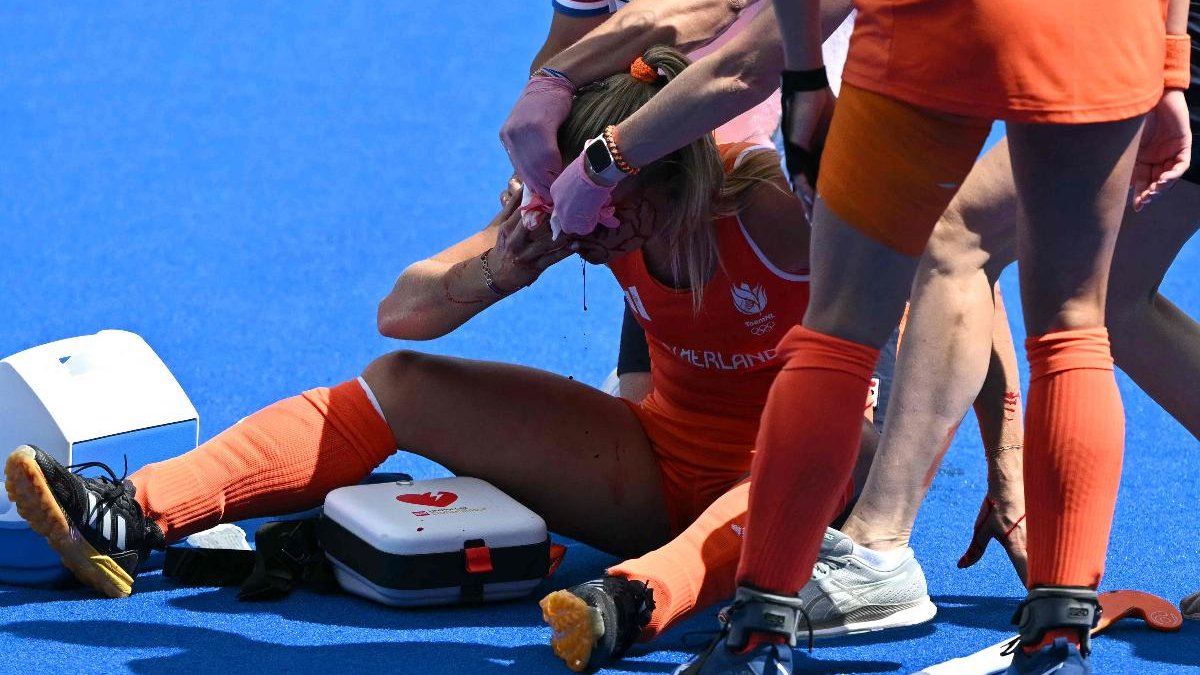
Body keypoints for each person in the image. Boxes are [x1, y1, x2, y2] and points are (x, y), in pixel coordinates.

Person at [4, 47, 870, 673]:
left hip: (795, 478)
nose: (595, 239)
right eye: (584, 215)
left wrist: (996, 451)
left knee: (831, 449)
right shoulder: (579, 204)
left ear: (662, 176)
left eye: (615, 214)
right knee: (402, 388)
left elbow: (934, 283)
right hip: (654, 465)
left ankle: (639, 603)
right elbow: (400, 314)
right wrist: (504, 266)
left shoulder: (765, 205)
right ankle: (131, 513)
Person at [540, 0, 1192, 672]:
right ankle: (1060, 638)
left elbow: (755, 48)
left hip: (934, 26)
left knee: (838, 335)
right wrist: (1172, 67)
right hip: (1104, 26)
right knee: (1072, 328)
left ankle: (762, 631)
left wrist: (802, 77)